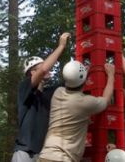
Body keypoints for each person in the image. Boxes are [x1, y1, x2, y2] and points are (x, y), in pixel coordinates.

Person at [10, 33, 71, 162]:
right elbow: (43, 70)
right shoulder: (24, 89)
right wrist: (61, 46)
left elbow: (73, 80)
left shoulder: (49, 93)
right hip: (24, 153)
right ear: (32, 72)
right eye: (42, 66)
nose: (49, 69)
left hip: (43, 155)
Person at [38, 61, 115, 161]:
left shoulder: (58, 92)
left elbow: (75, 88)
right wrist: (111, 75)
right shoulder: (85, 102)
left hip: (45, 155)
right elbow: (106, 100)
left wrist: (82, 75)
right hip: (62, 158)